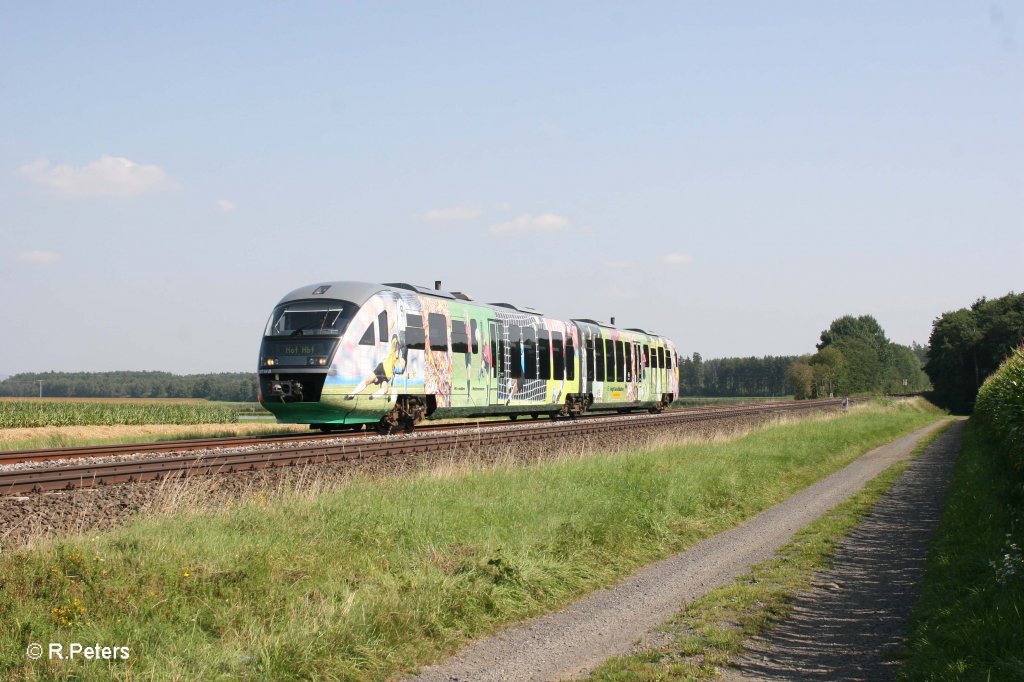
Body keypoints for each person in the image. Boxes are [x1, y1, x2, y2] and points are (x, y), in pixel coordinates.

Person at [346, 334, 405, 400]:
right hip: (382, 368)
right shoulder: (393, 347)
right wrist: (398, 341)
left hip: (386, 376)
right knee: (368, 380)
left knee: (385, 390)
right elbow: (394, 338)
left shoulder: (399, 359)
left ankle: (372, 396)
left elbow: (400, 369)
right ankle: (352, 394)